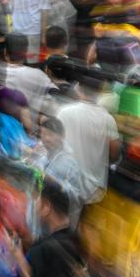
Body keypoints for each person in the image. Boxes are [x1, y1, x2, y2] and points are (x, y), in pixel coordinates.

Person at [56, 69, 121, 202]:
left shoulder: (63, 112)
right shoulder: (107, 119)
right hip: (94, 190)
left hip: (65, 184)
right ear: (100, 92)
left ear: (78, 88)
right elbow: (115, 153)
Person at [2, 33, 54, 121]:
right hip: (32, 126)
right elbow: (55, 96)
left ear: (5, 52)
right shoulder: (39, 75)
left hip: (3, 126)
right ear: (26, 52)